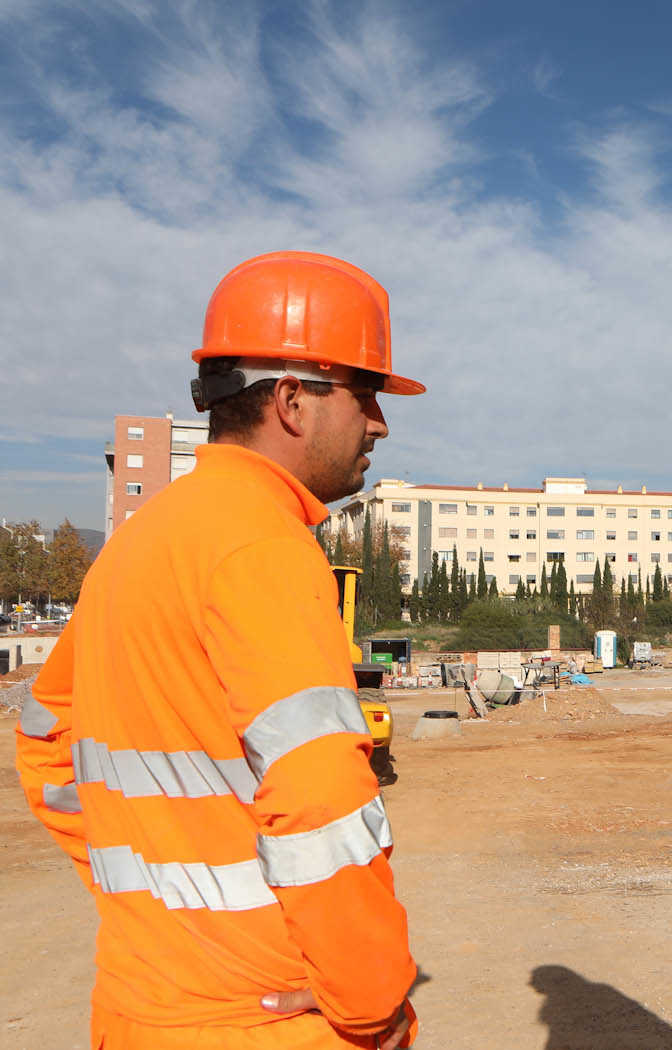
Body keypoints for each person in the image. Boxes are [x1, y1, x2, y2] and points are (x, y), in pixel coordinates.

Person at [15, 251, 425, 1049]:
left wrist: (152, 903)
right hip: (261, 1018)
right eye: (366, 393)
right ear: (293, 400)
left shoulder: (146, 539)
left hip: (143, 1001)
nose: (379, 422)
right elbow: (318, 795)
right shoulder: (260, 544)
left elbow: (45, 739)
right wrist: (369, 997)